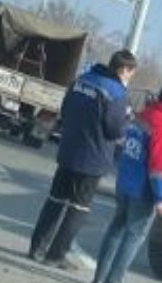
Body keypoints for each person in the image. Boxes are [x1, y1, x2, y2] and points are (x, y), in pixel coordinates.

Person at [29, 49, 137, 269]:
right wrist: (127, 118)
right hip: (93, 159)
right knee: (77, 209)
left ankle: (36, 248)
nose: (130, 77)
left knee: (55, 201)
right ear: (125, 69)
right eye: (131, 73)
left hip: (68, 151)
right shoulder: (116, 93)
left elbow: (65, 110)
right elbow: (115, 130)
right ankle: (56, 255)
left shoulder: (81, 80)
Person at [91, 83, 162, 283]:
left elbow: (123, 147)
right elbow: (160, 165)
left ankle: (100, 277)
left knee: (116, 229)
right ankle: (113, 282)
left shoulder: (142, 117)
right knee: (134, 235)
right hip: (142, 190)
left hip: (124, 184)